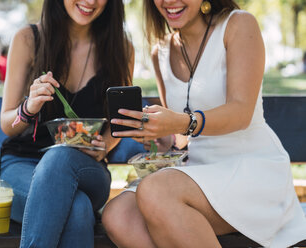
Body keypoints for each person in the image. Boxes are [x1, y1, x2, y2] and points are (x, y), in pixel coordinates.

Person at [102, 0, 306, 247]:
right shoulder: (161, 52)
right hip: (197, 171)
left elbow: (241, 112)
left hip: (252, 168)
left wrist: (180, 122)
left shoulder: (238, 24)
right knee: (118, 215)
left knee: (156, 191)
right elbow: (181, 137)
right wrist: (157, 133)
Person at [0, 0, 134, 247]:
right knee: (78, 208)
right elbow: (7, 123)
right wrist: (29, 108)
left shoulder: (120, 47)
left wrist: (104, 145)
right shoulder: (28, 39)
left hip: (87, 168)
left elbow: (119, 123)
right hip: (21, 166)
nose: (90, 2)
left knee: (60, 158)